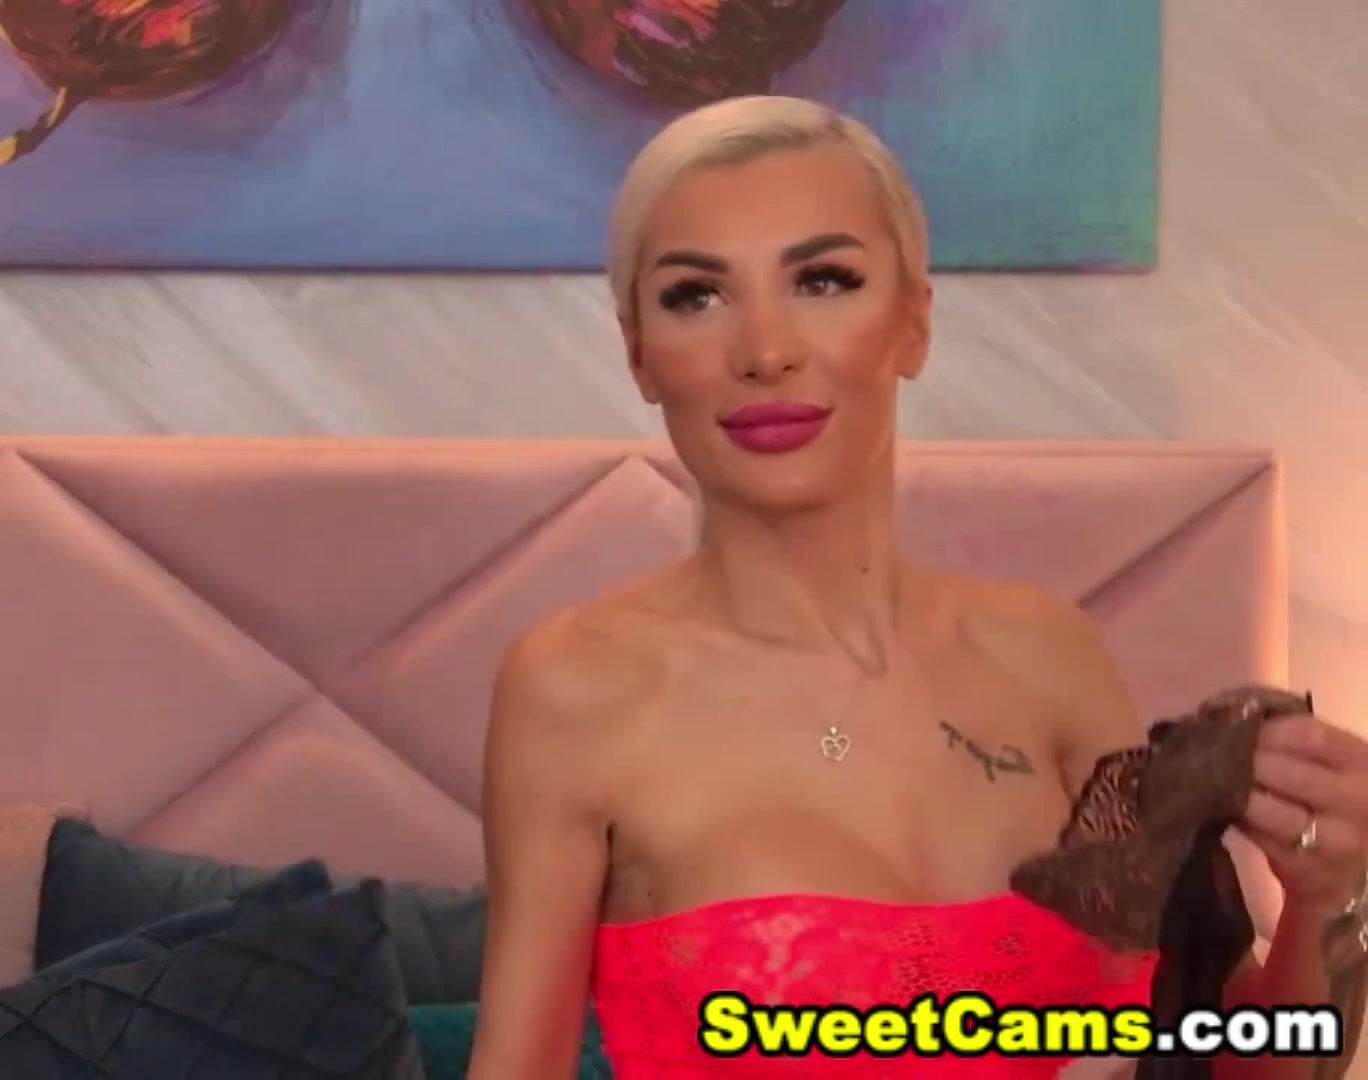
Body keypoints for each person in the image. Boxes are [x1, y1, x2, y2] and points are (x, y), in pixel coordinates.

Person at [464, 95, 1368, 1078]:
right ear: (641, 352)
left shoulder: (1046, 654)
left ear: (914, 324)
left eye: (823, 280)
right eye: (696, 295)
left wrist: (1323, 901)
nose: (765, 351)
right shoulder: (576, 688)